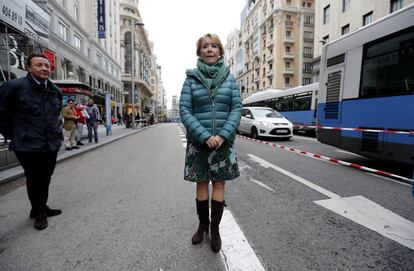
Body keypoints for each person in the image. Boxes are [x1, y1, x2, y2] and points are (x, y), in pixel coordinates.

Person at [179, 33, 242, 253]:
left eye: (214, 46)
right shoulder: (191, 79)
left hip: (223, 143)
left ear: (220, 51)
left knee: (219, 184)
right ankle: (202, 224)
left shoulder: (230, 79)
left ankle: (215, 229)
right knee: (201, 183)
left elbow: (236, 109)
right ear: (199, 52)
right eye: (205, 46)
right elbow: (185, 110)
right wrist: (204, 135)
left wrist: (223, 135)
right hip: (199, 143)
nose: (209, 49)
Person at [0, 54, 63, 230]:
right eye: (39, 65)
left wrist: (57, 134)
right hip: (27, 144)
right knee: (35, 177)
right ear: (29, 67)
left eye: (47, 66)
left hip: (51, 143)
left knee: (45, 176)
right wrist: (14, 134)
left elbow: (56, 114)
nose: (44, 68)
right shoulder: (14, 86)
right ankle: (39, 212)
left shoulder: (54, 89)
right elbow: (2, 114)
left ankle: (41, 206)